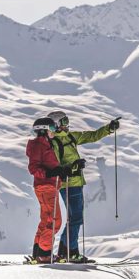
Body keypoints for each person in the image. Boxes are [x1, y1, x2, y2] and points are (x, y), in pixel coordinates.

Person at [46, 110, 121, 263]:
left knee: (75, 218)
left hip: (77, 183)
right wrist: (74, 166)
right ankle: (70, 252)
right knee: (75, 218)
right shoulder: (54, 143)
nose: (68, 125)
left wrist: (109, 128)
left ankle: (65, 251)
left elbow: (91, 136)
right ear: (57, 125)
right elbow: (57, 167)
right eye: (64, 122)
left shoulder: (71, 137)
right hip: (67, 184)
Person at [25, 117, 69, 263]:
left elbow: (49, 166)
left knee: (46, 220)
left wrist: (61, 171)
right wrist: (52, 173)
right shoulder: (39, 145)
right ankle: (44, 254)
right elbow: (34, 168)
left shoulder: (45, 144)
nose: (54, 131)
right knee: (54, 220)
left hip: (49, 186)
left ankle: (38, 253)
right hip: (46, 187)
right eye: (52, 128)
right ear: (43, 130)